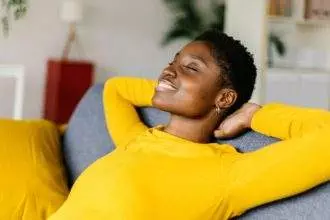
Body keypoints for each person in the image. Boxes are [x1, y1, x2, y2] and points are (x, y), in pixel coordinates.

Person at [49, 29, 330, 220]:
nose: (169, 70)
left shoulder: (228, 176)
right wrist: (169, 88)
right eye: (174, 62)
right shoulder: (137, 139)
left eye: (191, 68)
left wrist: (254, 115)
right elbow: (116, 89)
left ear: (225, 97)